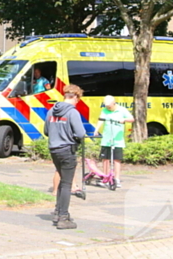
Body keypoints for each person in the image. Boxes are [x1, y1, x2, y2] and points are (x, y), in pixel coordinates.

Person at [44, 84, 86, 230]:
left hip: (54, 149)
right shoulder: (72, 112)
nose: (77, 102)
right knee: (67, 184)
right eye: (77, 99)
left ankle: (57, 212)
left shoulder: (51, 111)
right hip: (67, 149)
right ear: (75, 97)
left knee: (62, 181)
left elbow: (46, 131)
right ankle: (63, 217)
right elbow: (80, 133)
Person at [93, 95, 134, 189]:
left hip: (118, 139)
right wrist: (96, 129)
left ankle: (117, 179)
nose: (108, 108)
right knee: (105, 159)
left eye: (109, 106)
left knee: (116, 159)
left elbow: (131, 119)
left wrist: (124, 119)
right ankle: (106, 177)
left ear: (114, 103)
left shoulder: (122, 110)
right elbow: (101, 120)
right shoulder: (104, 110)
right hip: (106, 139)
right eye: (106, 106)